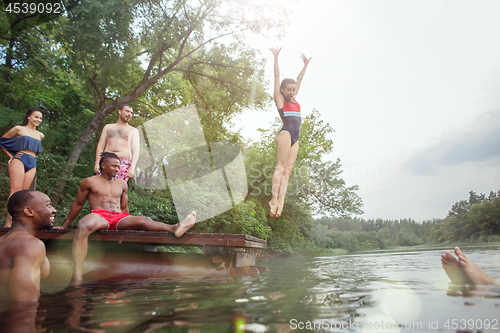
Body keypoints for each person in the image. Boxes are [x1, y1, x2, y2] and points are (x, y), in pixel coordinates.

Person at [62, 152, 196, 283]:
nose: (117, 169)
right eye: (114, 166)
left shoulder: (122, 184)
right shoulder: (89, 182)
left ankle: (175, 228)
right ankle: (78, 276)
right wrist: (65, 225)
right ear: (103, 165)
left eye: (118, 166)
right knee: (83, 225)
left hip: (119, 216)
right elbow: (78, 205)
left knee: (144, 220)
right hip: (99, 215)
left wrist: (131, 222)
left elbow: (124, 208)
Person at [268, 48, 311, 218]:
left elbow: (300, 79)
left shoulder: (295, 99)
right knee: (280, 166)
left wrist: (305, 65)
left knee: (288, 171)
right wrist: (276, 57)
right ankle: (273, 199)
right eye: (289, 90)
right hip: (286, 133)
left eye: (294, 89)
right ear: (282, 91)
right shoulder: (280, 100)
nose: (292, 92)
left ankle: (280, 202)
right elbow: (277, 77)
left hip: (296, 138)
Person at [0, 190, 56, 301]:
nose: (54, 210)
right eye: (48, 205)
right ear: (28, 211)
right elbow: (24, 304)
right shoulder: (30, 245)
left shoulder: (3, 240)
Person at [0, 109, 44, 227]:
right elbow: (2, 142)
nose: (38, 120)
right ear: (29, 117)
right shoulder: (19, 129)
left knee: (24, 194)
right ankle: (8, 223)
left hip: (32, 163)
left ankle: (18, 222)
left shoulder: (40, 135)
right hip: (19, 159)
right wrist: (10, 156)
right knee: (15, 192)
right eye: (36, 117)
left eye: (40, 118)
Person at [94, 104, 140, 182]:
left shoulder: (133, 131)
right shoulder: (108, 127)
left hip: (123, 163)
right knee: (100, 188)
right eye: (127, 111)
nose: (129, 114)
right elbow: (100, 146)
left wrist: (132, 168)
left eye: (131, 113)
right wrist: (97, 163)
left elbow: (136, 151)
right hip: (106, 160)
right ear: (119, 111)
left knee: (117, 190)